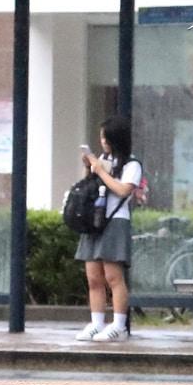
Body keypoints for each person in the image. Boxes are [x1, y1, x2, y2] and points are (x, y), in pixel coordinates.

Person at [74, 115, 142, 343]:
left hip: (115, 221)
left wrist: (101, 171)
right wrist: (90, 168)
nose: (102, 142)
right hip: (95, 220)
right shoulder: (103, 160)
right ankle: (96, 323)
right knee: (93, 276)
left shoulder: (132, 164)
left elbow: (123, 190)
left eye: (105, 137)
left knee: (113, 276)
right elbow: (93, 187)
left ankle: (119, 325)